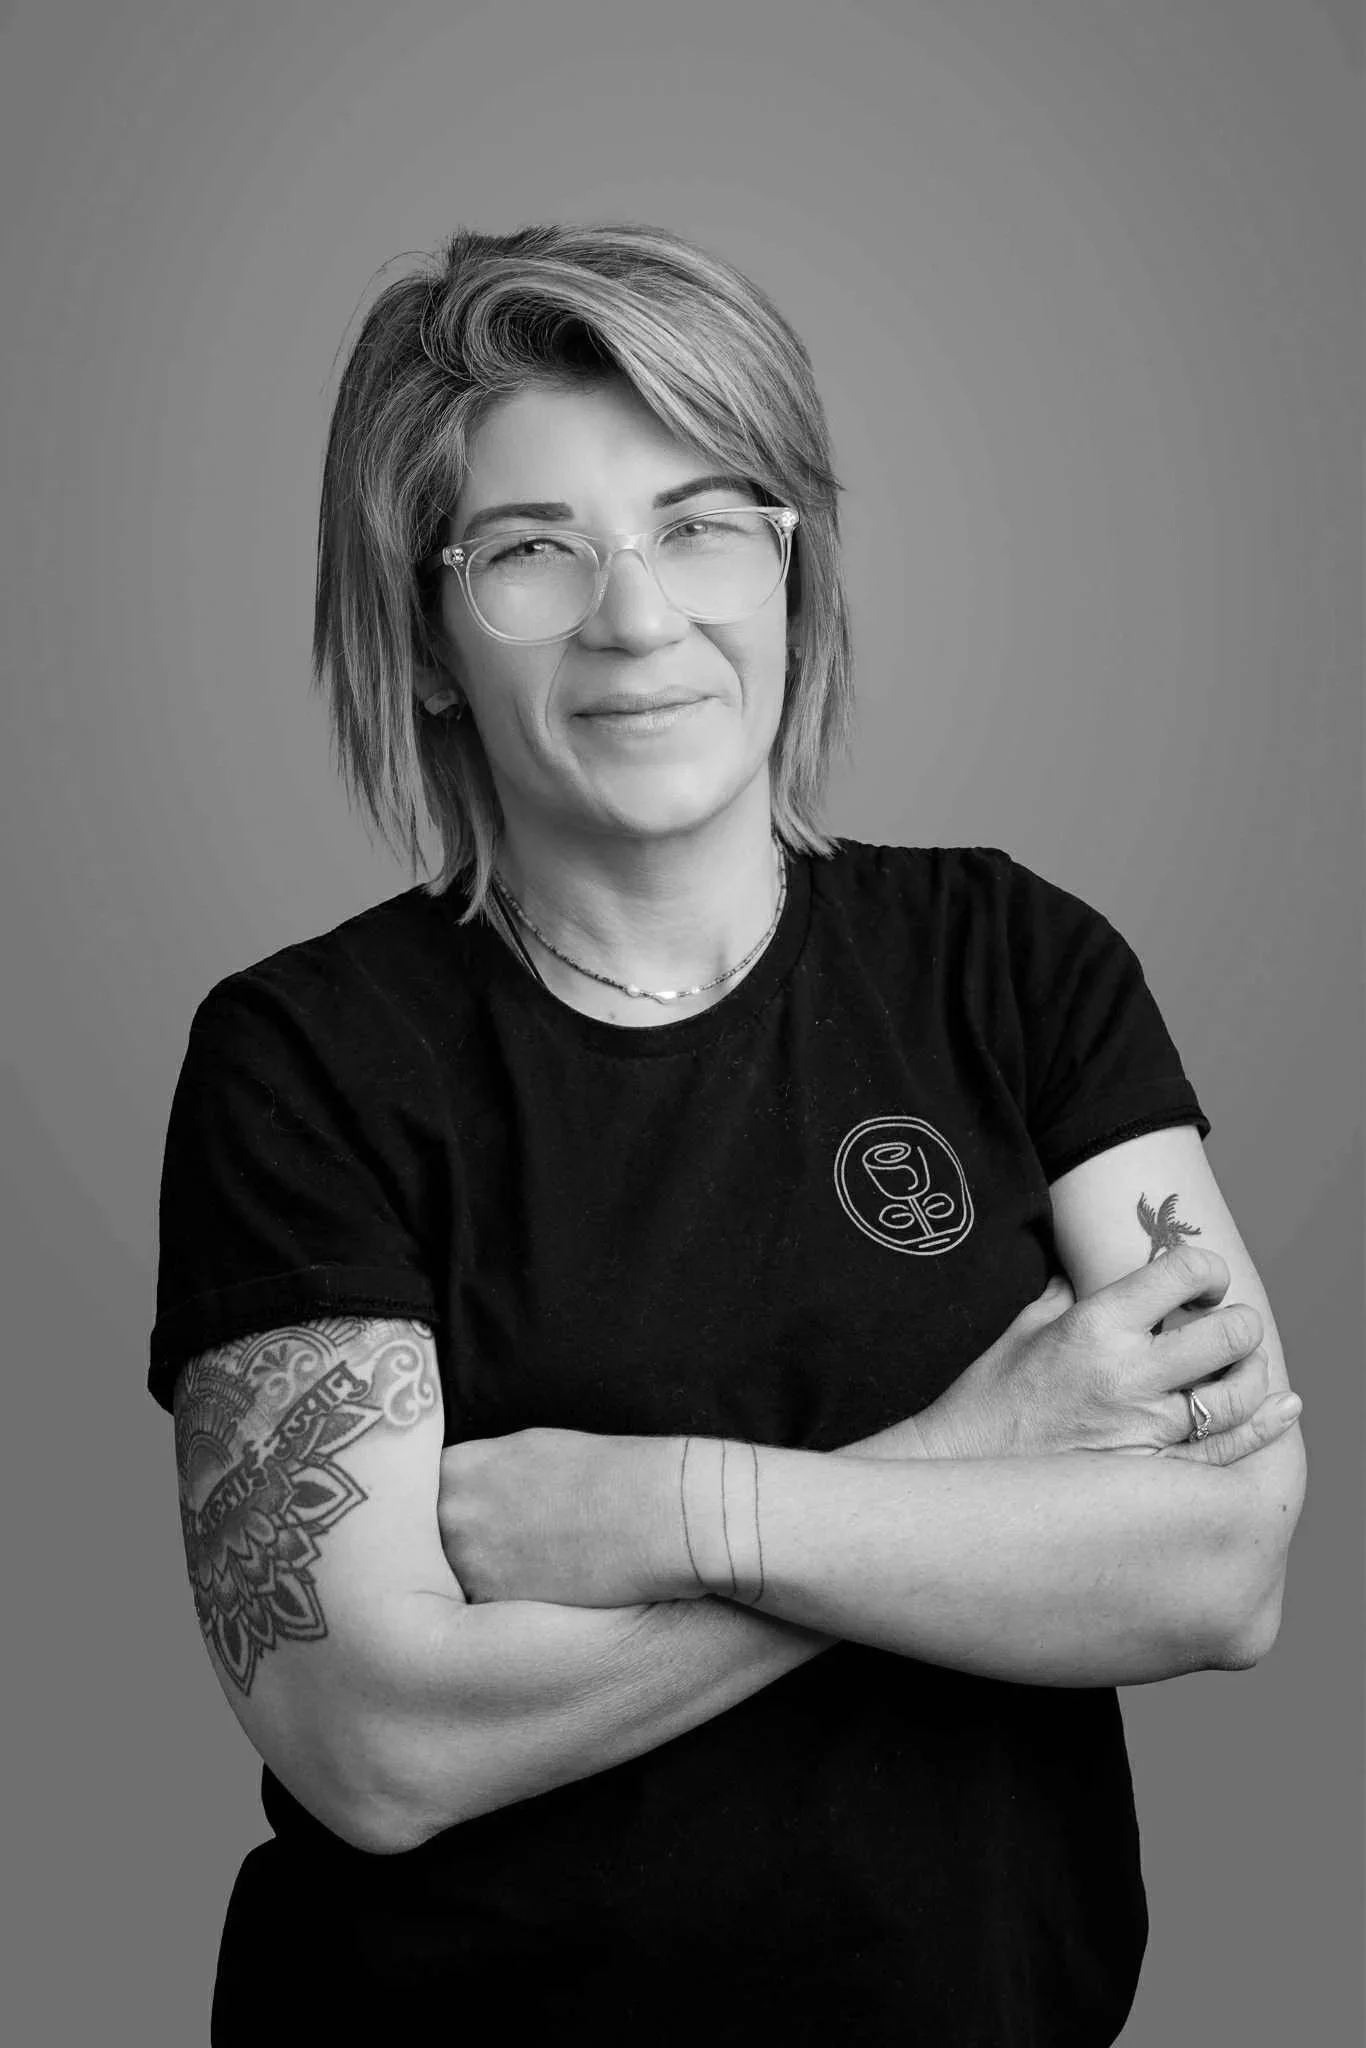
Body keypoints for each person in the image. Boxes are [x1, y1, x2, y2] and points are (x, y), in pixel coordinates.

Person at [149, 222, 1306, 2045]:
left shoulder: (1016, 967)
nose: (637, 617)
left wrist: (661, 1509)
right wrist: (973, 1455)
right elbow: (374, 1742)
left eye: (702, 524)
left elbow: (1219, 1567)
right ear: (428, 640)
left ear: (790, 575)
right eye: (530, 551)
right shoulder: (304, 1061)